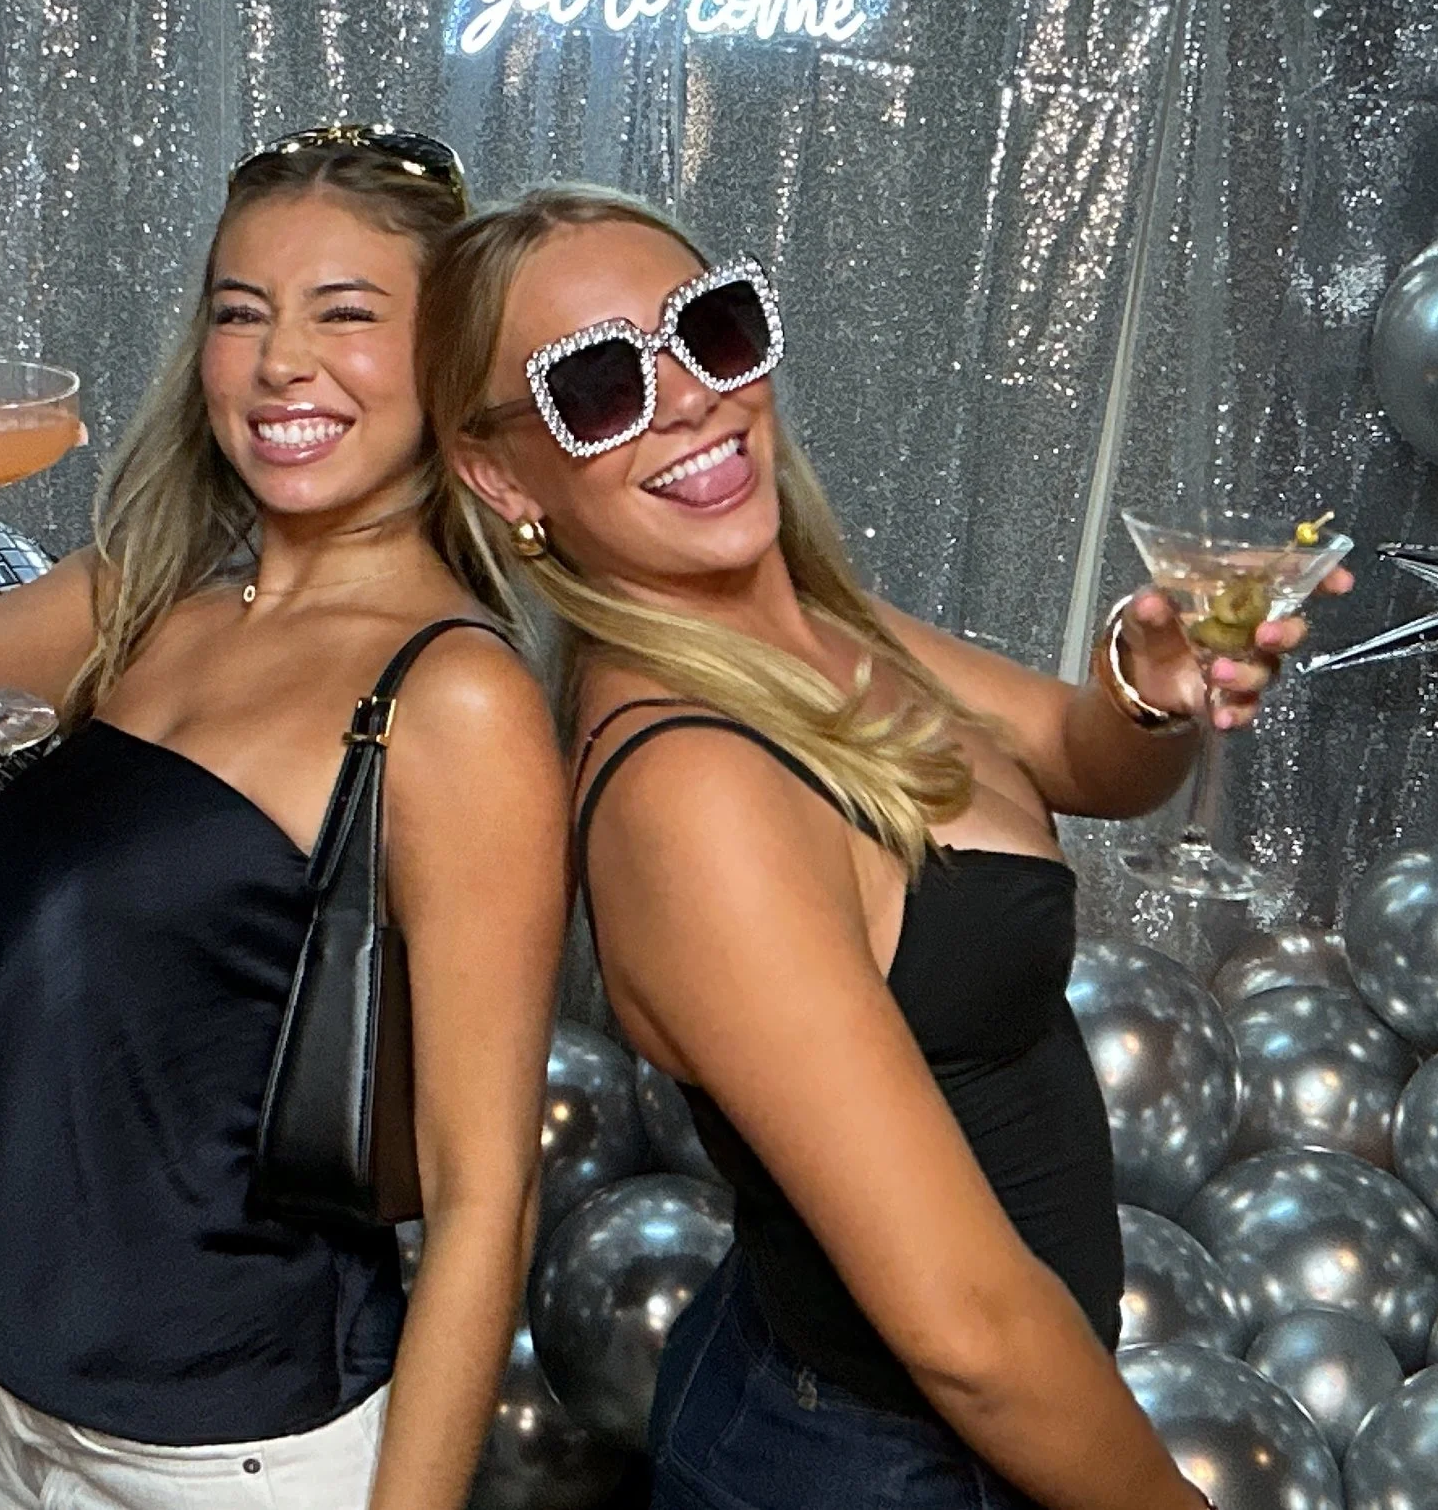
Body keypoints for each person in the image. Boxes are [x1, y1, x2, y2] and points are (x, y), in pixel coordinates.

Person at [420, 186, 1347, 1510]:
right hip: (877, 1461)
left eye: (708, 331)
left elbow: (1084, 764)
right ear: (505, 471)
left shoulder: (820, 632)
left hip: (905, 1416)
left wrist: (1147, 685)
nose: (685, 397)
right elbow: (966, 1331)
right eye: (597, 385)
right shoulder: (697, 789)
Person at [0, 127, 569, 1510]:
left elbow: (485, 1193)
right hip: (30, 1428)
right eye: (238, 313)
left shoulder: (456, 694)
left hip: (242, 1456)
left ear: (447, 360)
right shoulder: (151, 592)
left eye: (348, 314)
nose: (279, 363)